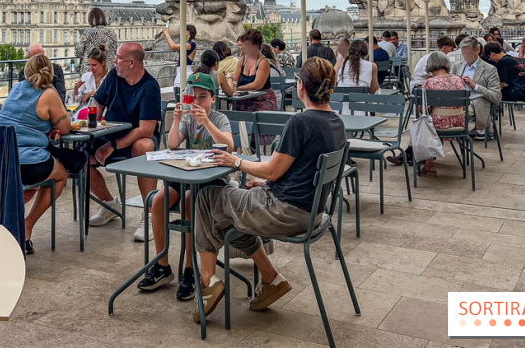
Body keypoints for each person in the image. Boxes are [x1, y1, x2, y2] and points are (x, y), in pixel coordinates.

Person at [196, 57, 346, 320]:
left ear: (300, 86)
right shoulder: (337, 123)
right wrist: (267, 183)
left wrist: (237, 161)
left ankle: (207, 282)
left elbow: (273, 169)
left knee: (207, 198)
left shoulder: (301, 123)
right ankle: (269, 278)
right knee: (229, 213)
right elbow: (299, 171)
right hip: (312, 211)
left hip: (284, 211)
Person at [139, 73, 234, 300]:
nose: (198, 101)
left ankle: (190, 269)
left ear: (213, 99)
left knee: (191, 199)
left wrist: (207, 122)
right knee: (159, 200)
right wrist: (177, 120)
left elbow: (229, 146)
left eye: (203, 97)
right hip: (188, 174)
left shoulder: (219, 119)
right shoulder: (189, 120)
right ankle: (162, 264)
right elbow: (172, 144)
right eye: (195, 97)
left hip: (213, 181)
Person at [0, 54, 82, 254]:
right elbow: (66, 127)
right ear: (50, 72)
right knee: (59, 175)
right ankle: (26, 226)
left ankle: (0, 224)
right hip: (21, 164)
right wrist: (51, 126)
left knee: (31, 183)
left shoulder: (16, 88)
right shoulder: (49, 93)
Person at [87, 43, 163, 241]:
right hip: (110, 133)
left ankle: (149, 215)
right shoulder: (114, 76)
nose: (114, 61)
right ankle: (109, 204)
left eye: (119, 58)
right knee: (78, 155)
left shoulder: (150, 86)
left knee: (144, 146)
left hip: (136, 138)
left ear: (131, 62)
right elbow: (98, 104)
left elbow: (146, 129)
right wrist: (90, 126)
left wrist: (112, 146)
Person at [418, 52, 467, 177]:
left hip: (438, 125)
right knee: (429, 122)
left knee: (423, 123)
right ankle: (429, 163)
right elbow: (465, 106)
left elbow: (423, 110)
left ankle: (428, 161)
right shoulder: (459, 80)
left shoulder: (429, 83)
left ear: (430, 65)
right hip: (459, 123)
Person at [230, 30, 278, 144]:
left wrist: (237, 88)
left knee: (251, 114)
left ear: (256, 46)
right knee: (233, 114)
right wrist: (229, 80)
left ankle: (249, 144)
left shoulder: (263, 62)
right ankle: (239, 142)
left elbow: (258, 85)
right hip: (244, 100)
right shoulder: (242, 60)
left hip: (262, 99)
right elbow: (235, 80)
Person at [451, 37, 502, 141]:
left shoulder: (489, 69)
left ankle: (481, 128)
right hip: (460, 101)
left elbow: (497, 97)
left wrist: (475, 86)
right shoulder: (457, 67)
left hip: (476, 103)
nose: (466, 56)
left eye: (469, 53)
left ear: (478, 50)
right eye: (463, 53)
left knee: (479, 98)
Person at [75, 7, 118, 73]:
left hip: (91, 70)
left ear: (90, 20)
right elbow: (115, 50)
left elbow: (78, 52)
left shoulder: (88, 32)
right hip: (109, 70)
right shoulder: (112, 33)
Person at [71, 45, 108, 116]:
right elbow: (76, 101)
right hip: (85, 112)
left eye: (94, 65)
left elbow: (110, 98)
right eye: (89, 65)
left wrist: (93, 93)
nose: (91, 68)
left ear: (103, 63)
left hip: (103, 114)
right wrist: (76, 89)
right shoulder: (86, 76)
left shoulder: (110, 77)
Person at [261, 43, 285, 109]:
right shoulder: (276, 65)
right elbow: (283, 76)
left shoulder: (258, 66)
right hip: (277, 101)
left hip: (263, 102)